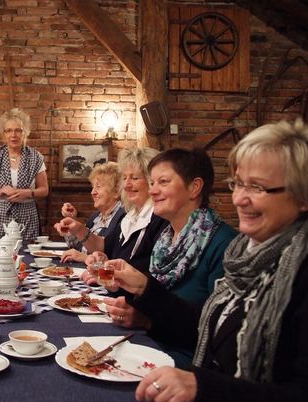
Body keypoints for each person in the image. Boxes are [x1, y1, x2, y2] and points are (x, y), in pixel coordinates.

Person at [112, 120, 308, 402]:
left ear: (302, 196)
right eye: (238, 184)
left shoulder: (292, 268)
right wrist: (144, 306)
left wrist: (203, 387)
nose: (239, 199)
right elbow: (207, 325)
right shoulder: (243, 254)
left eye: (258, 187)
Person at [101, 149, 237, 367]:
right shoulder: (165, 240)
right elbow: (163, 310)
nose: (153, 191)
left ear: (194, 187)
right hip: (152, 343)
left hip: (190, 365)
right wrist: (141, 314)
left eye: (162, 182)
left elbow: (215, 332)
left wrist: (146, 298)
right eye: (152, 182)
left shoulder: (224, 244)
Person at [58, 147, 167, 273]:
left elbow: (148, 273)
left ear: (151, 181)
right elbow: (104, 247)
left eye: (135, 178)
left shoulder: (158, 218)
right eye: (125, 178)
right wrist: (79, 229)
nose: (126, 185)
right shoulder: (131, 216)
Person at [0, 108, 49, 242]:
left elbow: (44, 190)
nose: (14, 135)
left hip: (27, 215)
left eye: (18, 130)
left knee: (26, 256)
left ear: (25, 133)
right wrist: (0, 192)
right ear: (3, 134)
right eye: (9, 130)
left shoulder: (35, 157)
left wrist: (27, 193)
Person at [54, 162, 124, 263]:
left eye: (98, 187)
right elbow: (79, 246)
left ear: (116, 191)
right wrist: (71, 225)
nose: (93, 192)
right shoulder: (97, 216)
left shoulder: (123, 217)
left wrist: (84, 258)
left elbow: (113, 257)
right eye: (93, 187)